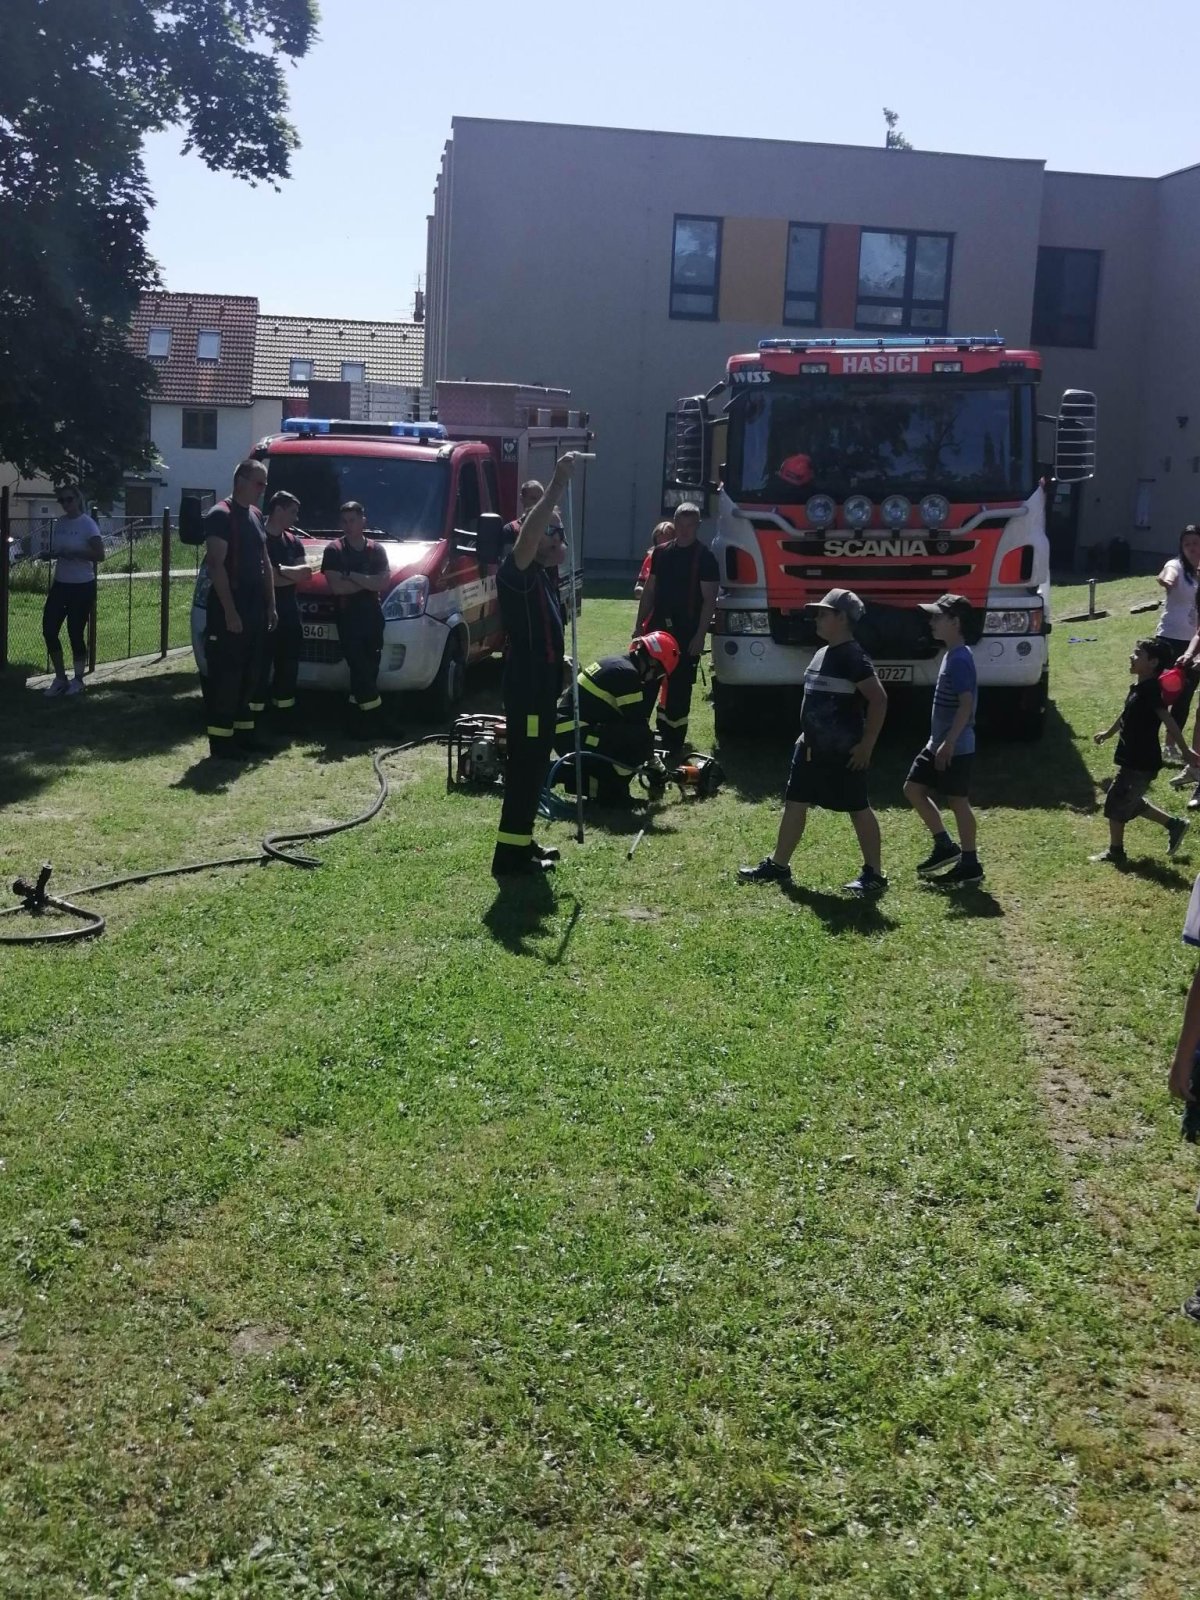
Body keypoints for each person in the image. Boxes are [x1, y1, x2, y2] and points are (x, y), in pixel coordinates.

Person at [738, 588, 889, 896]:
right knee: (795, 803)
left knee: (858, 807)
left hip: (843, 752)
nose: (816, 619)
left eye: (823, 614)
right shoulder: (822, 652)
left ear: (842, 618)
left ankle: (874, 873)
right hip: (809, 749)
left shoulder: (853, 656)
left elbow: (879, 699)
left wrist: (867, 745)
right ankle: (779, 864)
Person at [492, 454, 580, 878]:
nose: (560, 538)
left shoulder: (544, 575)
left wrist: (558, 663)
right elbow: (528, 538)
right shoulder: (518, 570)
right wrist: (557, 484)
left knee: (535, 764)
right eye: (553, 531)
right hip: (526, 687)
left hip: (542, 683)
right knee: (525, 767)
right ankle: (509, 857)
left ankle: (521, 840)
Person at [1091, 637, 1196, 865]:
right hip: (1132, 757)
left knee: (1116, 803)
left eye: (1138, 654)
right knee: (1128, 799)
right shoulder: (1139, 688)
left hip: (1141, 761)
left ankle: (1116, 852)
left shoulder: (1151, 691)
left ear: (1153, 662)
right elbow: (1126, 713)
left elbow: (1168, 720)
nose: (1132, 656)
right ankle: (1174, 825)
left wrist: (1185, 750)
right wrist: (1108, 733)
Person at [903, 594, 984, 886]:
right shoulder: (951, 654)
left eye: (938, 617)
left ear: (955, 622)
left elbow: (966, 704)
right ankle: (945, 846)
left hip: (955, 746)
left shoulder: (960, 658)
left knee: (958, 802)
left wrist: (949, 742)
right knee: (913, 789)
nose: (932, 622)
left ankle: (970, 863)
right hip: (937, 743)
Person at [552, 631, 680, 806]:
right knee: (635, 744)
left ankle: (598, 784)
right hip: (572, 734)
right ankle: (610, 794)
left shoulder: (618, 664)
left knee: (627, 739)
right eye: (659, 674)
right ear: (653, 663)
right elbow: (639, 728)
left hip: (568, 730)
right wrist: (654, 764)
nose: (654, 679)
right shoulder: (628, 676)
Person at [202, 459, 275, 758]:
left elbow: (264, 561)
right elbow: (215, 565)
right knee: (228, 676)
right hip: (230, 606)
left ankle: (245, 735)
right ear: (241, 481)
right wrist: (230, 612)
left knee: (250, 674)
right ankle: (222, 742)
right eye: (259, 483)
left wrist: (271, 604)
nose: (263, 490)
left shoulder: (255, 515)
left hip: (255, 606)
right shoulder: (221, 515)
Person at [633, 500, 719, 753]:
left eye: (690, 525)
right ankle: (638, 735)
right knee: (646, 683)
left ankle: (672, 741)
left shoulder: (705, 558)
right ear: (675, 522)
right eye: (680, 524)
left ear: (698, 525)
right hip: (657, 631)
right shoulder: (661, 553)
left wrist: (700, 636)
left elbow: (709, 600)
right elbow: (649, 591)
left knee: (679, 690)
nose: (684, 529)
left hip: (686, 633)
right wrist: (639, 626)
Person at [320, 501, 389, 731]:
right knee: (359, 666)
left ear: (363, 522)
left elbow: (383, 582)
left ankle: (355, 722)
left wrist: (351, 575)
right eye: (344, 521)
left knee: (370, 666)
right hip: (348, 617)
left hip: (373, 616)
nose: (348, 526)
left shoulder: (376, 550)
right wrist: (368, 582)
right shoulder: (334, 551)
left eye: (352, 521)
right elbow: (337, 587)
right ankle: (379, 720)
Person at [40, 484, 105, 696]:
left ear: (77, 499)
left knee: (75, 632)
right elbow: (61, 549)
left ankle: (78, 679)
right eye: (62, 500)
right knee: (49, 629)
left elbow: (100, 555)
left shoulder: (88, 524)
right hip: (61, 584)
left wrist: (76, 553)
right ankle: (60, 678)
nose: (65, 504)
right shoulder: (60, 523)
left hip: (82, 586)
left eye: (69, 499)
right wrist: (53, 554)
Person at [258, 490, 309, 715]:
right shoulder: (258, 538)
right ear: (278, 510)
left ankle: (284, 716)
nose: (296, 518)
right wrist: (286, 574)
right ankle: (255, 717)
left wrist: (278, 570)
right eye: (293, 512)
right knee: (260, 667)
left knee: (288, 667)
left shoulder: (293, 542)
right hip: (262, 614)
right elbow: (266, 580)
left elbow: (305, 573)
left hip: (289, 614)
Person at [1155, 525, 1200, 762]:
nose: (1192, 548)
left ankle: (1170, 746)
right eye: (1187, 544)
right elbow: (1167, 575)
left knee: (1184, 696)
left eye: (1196, 543)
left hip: (1194, 643)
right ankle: (1144, 739)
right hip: (1170, 639)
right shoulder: (1176, 565)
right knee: (1160, 693)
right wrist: (1166, 580)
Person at [500, 480, 544, 562]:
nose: (538, 503)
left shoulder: (550, 528)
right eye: (533, 498)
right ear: (522, 499)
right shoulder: (511, 530)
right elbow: (507, 562)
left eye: (541, 499)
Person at [634, 519, 676, 596]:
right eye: (659, 545)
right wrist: (645, 592)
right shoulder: (650, 559)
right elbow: (638, 587)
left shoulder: (681, 559)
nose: (662, 549)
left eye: (666, 544)